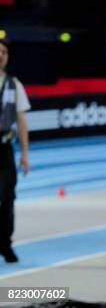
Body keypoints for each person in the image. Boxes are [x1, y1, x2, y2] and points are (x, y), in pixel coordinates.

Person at [0, 40, 30, 263]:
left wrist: (25, 154)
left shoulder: (14, 84)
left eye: (4, 52)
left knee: (8, 197)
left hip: (4, 147)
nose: (1, 55)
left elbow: (21, 120)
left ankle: (5, 244)